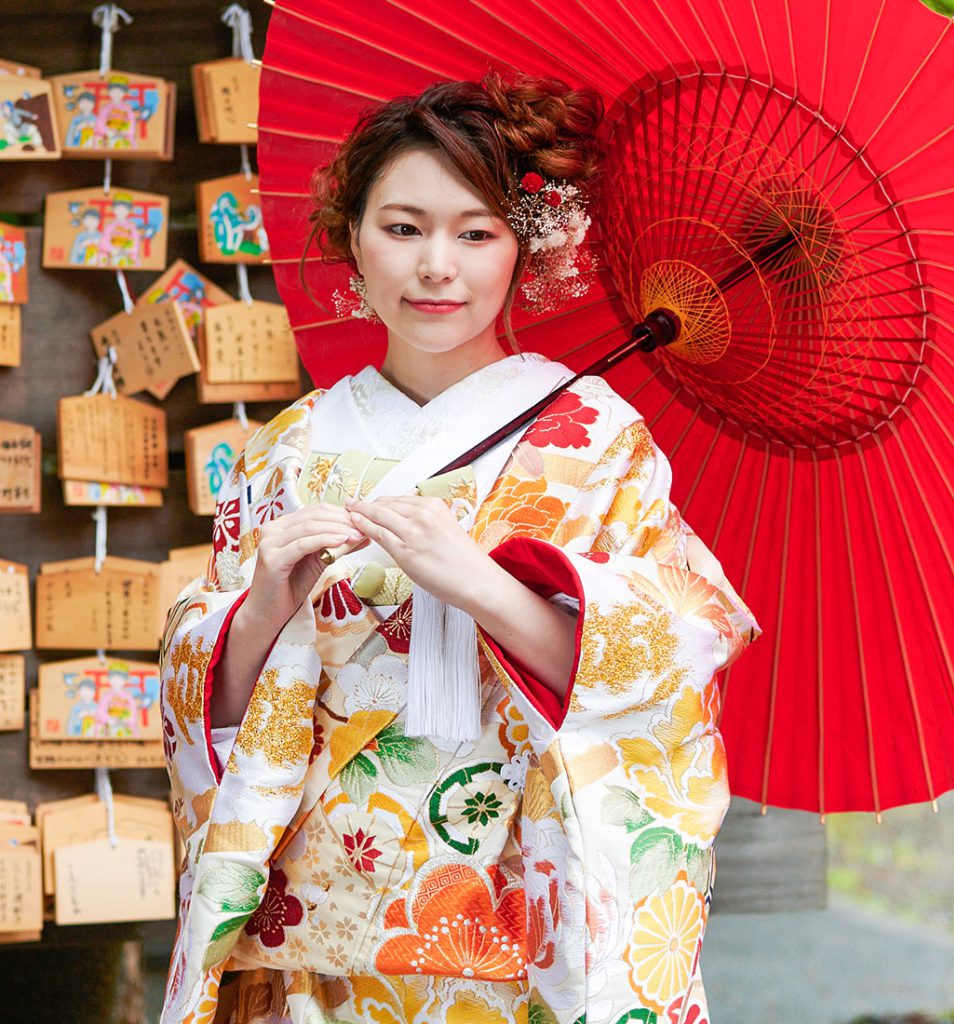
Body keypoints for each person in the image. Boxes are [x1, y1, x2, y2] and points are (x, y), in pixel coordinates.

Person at [159, 70, 762, 1024]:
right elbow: (206, 701)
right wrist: (261, 606)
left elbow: (671, 671)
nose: (437, 265)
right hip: (311, 921)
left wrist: (482, 586)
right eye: (403, 227)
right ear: (352, 240)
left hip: (510, 913)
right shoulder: (291, 444)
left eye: (475, 232)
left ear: (522, 249)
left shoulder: (596, 441)